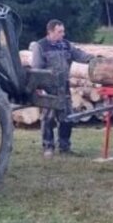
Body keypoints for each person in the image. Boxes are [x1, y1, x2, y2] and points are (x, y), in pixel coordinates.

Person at [30, 19, 93, 158]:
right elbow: (36, 68)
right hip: (48, 87)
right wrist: (38, 86)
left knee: (67, 117)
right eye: (59, 32)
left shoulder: (66, 45)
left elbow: (80, 55)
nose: (63, 34)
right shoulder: (40, 46)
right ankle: (48, 147)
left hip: (64, 86)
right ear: (50, 32)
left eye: (63, 31)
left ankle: (65, 147)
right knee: (48, 118)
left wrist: (94, 60)